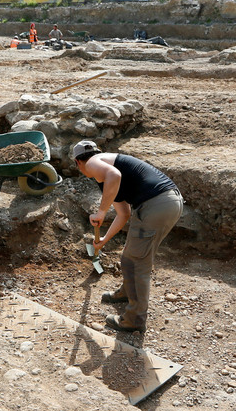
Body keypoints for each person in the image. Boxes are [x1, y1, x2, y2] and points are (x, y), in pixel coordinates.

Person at [73, 141, 183, 333]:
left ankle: (134, 320)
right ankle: (126, 293)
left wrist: (100, 212)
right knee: (131, 256)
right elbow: (124, 214)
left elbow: (114, 175)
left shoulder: (94, 163)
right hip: (166, 203)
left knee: (137, 262)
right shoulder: (109, 171)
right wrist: (104, 239)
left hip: (155, 205)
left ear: (78, 162)